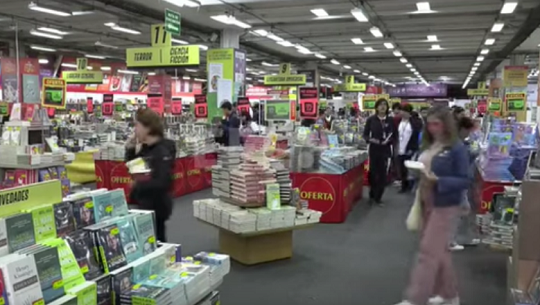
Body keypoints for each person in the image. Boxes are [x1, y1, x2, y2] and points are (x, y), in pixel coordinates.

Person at [395, 106, 470, 305]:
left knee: (428, 251)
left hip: (445, 204)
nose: (432, 128)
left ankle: (415, 298)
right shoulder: (430, 143)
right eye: (429, 124)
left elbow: (465, 180)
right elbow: (424, 168)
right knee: (440, 252)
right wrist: (416, 173)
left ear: (447, 124)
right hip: (425, 200)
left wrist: (439, 181)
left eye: (436, 123)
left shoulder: (456, 148)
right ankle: (449, 294)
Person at [125, 108, 175, 242]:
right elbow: (134, 167)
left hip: (156, 206)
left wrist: (138, 185)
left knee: (156, 242)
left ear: (147, 127)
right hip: (145, 203)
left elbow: (163, 182)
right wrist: (130, 149)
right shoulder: (146, 148)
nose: (135, 129)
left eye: (137, 125)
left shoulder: (161, 151)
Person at [448, 116, 480, 252]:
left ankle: (461, 238)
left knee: (463, 210)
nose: (469, 134)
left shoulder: (458, 142)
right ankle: (450, 241)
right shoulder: (457, 144)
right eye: (467, 131)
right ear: (462, 129)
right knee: (459, 211)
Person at [363, 98, 396, 206]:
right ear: (376, 107)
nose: (382, 107)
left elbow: (395, 135)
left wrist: (389, 141)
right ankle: (372, 194)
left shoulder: (390, 120)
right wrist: (373, 140)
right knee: (373, 173)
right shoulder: (371, 120)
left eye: (385, 105)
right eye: (380, 105)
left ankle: (378, 197)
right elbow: (365, 135)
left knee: (383, 174)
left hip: (385, 150)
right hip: (374, 149)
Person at [397, 104, 422, 193]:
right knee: (401, 168)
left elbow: (416, 134)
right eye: (402, 111)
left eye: (405, 111)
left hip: (409, 148)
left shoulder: (414, 122)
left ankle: (410, 185)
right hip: (399, 147)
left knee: (409, 167)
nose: (403, 113)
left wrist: (414, 146)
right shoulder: (398, 121)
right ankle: (404, 185)